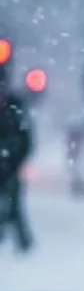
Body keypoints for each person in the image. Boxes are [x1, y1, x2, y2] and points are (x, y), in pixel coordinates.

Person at [0, 65, 34, 253]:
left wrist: (11, 159)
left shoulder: (14, 107)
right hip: (9, 163)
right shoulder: (15, 107)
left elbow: (25, 140)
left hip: (10, 167)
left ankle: (22, 241)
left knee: (13, 203)